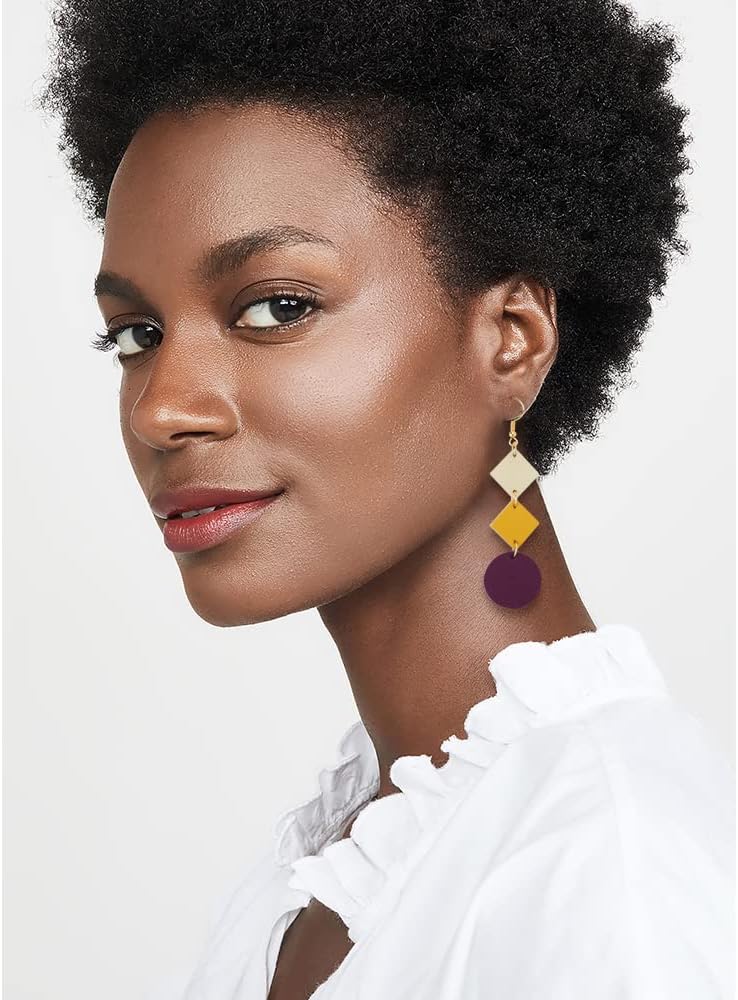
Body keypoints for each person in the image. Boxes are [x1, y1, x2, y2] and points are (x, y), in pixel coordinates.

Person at [39, 0, 733, 997]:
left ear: (512, 340)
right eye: (137, 335)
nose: (161, 409)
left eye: (276, 307)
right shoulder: (349, 846)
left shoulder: (609, 869)